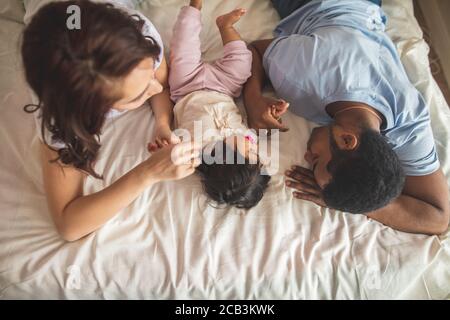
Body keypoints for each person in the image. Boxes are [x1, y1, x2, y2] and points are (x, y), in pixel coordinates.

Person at [243, 0, 449, 234]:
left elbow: (438, 218)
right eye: (316, 160)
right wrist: (253, 101)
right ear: (347, 140)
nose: (307, 156)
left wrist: (350, 201)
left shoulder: (408, 122)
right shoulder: (303, 76)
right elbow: (255, 51)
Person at [22, 0, 199, 242]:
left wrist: (162, 123)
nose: (157, 86)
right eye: (137, 96)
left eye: (149, 73)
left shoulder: (139, 36)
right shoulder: (59, 117)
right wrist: (149, 172)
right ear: (93, 111)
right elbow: (69, 224)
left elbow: (161, 86)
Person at [150, 0, 270, 208]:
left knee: (183, 46)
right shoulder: (249, 139)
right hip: (225, 87)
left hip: (186, 86)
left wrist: (165, 145)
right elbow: (257, 125)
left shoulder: (194, 150)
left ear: (227, 157)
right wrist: (272, 111)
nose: (254, 148)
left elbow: (171, 150)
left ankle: (193, 9)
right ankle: (226, 27)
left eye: (250, 154)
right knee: (243, 63)